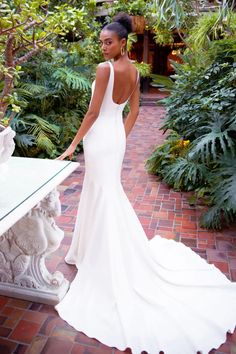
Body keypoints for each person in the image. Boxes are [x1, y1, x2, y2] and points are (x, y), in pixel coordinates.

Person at [55, 13, 236, 354]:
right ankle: (85, 250)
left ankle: (103, 257)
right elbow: (134, 110)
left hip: (99, 139)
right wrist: (118, 138)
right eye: (101, 42)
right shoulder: (135, 71)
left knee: (104, 195)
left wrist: (72, 145)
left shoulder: (104, 69)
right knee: (103, 193)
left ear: (123, 42)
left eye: (108, 42)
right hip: (113, 139)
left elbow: (93, 114)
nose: (103, 46)